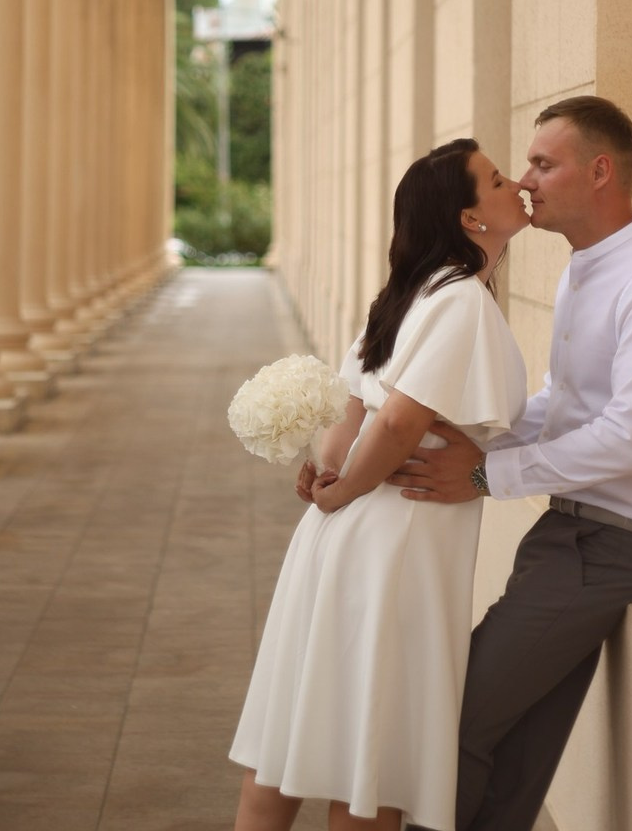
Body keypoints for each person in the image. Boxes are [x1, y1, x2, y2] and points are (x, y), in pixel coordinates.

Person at [390, 96, 632, 831]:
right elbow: (561, 400)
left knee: (454, 723)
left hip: (621, 544)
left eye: (542, 163)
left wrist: (489, 476)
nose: (526, 180)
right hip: (573, 537)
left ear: (599, 171)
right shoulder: (582, 269)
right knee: (520, 750)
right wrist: (469, 445)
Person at [230, 138, 531, 831]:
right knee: (368, 772)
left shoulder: (405, 295)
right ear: (469, 219)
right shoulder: (458, 301)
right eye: (494, 179)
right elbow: (396, 424)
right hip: (395, 547)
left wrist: (331, 479)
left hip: (339, 542)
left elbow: (345, 427)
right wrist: (341, 489)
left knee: (288, 750)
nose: (513, 182)